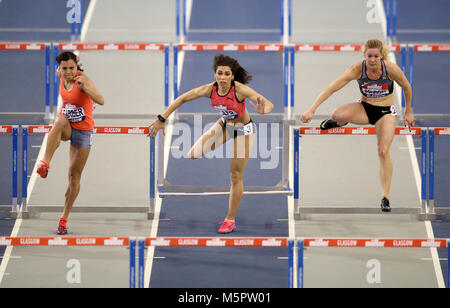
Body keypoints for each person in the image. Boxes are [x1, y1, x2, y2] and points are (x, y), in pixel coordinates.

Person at [149, 54, 274, 233]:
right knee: (193, 153)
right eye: (219, 73)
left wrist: (263, 110)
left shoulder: (240, 90)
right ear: (215, 74)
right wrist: (162, 119)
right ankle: (223, 132)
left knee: (235, 175)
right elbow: (183, 98)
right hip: (224, 125)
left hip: (242, 130)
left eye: (227, 74)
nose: (222, 78)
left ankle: (230, 219)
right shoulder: (210, 89)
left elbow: (268, 104)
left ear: (233, 75)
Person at [299, 39, 415, 212]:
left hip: (386, 113)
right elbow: (332, 88)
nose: (373, 60)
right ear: (364, 55)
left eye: (376, 56)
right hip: (365, 108)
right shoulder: (357, 69)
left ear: (381, 55)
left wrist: (408, 112)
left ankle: (385, 197)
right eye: (369, 56)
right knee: (336, 114)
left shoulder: (390, 69)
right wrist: (312, 110)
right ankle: (340, 122)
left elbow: (406, 86)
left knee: (383, 150)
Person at [36, 51, 104, 234]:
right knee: (58, 121)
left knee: (74, 177)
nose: (68, 72)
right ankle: (45, 163)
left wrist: (85, 88)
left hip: (83, 131)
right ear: (59, 68)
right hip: (67, 126)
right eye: (64, 68)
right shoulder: (61, 74)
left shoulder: (83, 79)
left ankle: (63, 219)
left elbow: (101, 100)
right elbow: (69, 63)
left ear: (77, 67)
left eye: (72, 68)